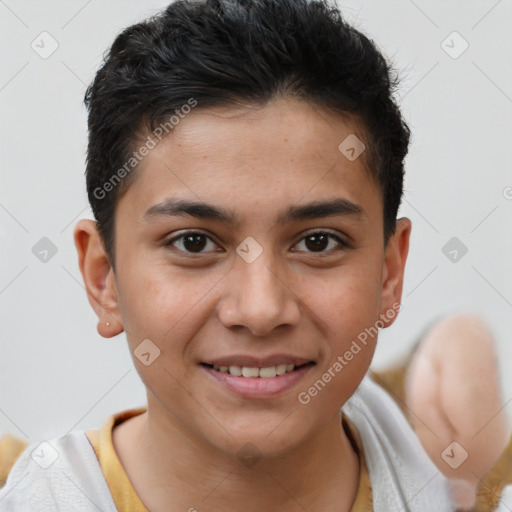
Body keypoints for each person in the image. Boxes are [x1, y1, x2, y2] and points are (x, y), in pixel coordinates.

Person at [0, 1, 510, 510]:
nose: (261, 310)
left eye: (318, 242)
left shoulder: (463, 481)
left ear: (388, 274)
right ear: (103, 278)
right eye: (193, 242)